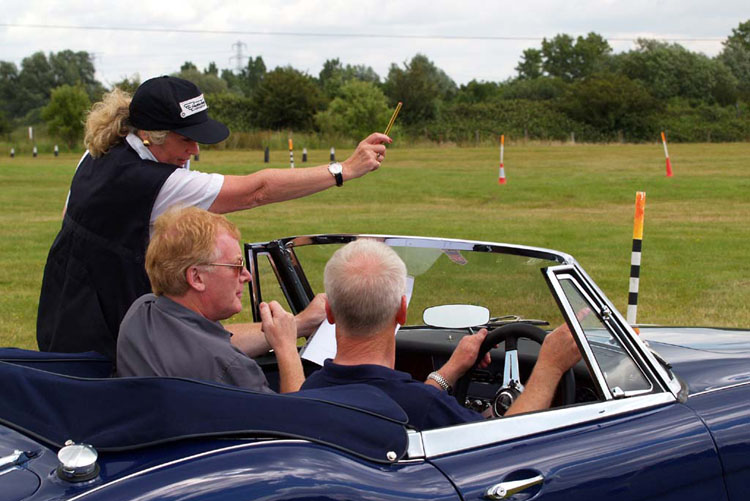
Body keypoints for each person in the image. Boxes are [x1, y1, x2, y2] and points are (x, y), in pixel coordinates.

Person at [37, 75, 390, 359]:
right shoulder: (154, 183)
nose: (194, 150)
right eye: (185, 139)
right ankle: (299, 324)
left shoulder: (99, 153)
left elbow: (70, 215)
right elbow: (257, 190)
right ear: (150, 135)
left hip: (63, 319)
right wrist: (344, 169)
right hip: (104, 346)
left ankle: (300, 323)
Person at [301, 239, 582, 430]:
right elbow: (511, 443)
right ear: (402, 311)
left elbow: (399, 397)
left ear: (329, 312)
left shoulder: (310, 392)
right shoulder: (422, 407)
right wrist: (549, 366)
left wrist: (449, 371)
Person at [116, 206, 324, 393]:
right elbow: (296, 421)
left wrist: (300, 323)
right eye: (236, 266)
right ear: (197, 277)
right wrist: (287, 349)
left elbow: (210, 340)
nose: (247, 276)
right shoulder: (232, 368)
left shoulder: (141, 313)